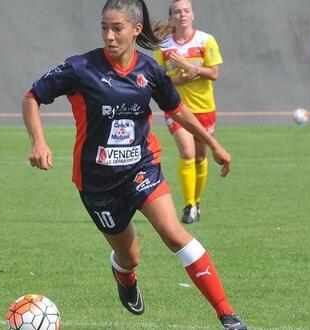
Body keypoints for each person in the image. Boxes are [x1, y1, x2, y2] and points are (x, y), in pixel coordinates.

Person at [22, 0, 247, 328]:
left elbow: (177, 109)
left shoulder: (150, 71)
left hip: (142, 167)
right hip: (97, 181)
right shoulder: (80, 68)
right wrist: (38, 142)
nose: (109, 36)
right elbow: (32, 97)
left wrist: (213, 143)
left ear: (136, 29)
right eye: (104, 28)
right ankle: (124, 276)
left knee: (173, 233)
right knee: (130, 257)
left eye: (117, 28)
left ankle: (227, 313)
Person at [153, 0, 223, 224]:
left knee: (201, 157)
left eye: (186, 11)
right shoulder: (164, 46)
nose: (182, 15)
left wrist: (189, 66)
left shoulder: (206, 40)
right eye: (177, 12)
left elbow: (213, 73)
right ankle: (189, 204)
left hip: (204, 107)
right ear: (172, 17)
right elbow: (160, 80)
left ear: (192, 14)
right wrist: (180, 79)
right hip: (177, 108)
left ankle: (197, 201)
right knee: (187, 152)